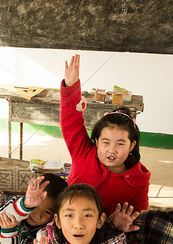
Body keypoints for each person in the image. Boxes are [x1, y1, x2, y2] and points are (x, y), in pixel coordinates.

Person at [60, 55, 150, 216]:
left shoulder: (138, 182)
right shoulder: (83, 153)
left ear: (132, 146)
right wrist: (71, 85)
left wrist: (122, 225)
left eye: (120, 143)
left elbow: (139, 221)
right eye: (106, 142)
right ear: (96, 141)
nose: (111, 150)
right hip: (65, 227)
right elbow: (70, 121)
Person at [0, 173, 67, 244]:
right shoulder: (18, 204)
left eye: (47, 212)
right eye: (35, 205)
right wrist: (26, 205)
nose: (37, 215)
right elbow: (0, 217)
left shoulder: (45, 236)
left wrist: (9, 231)